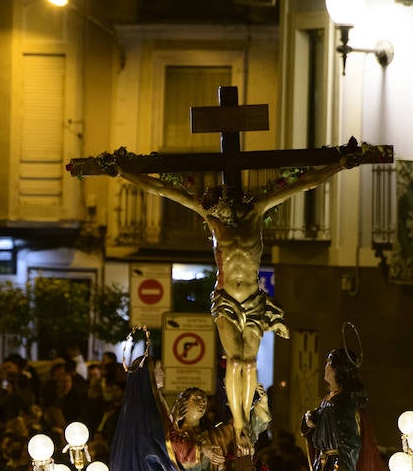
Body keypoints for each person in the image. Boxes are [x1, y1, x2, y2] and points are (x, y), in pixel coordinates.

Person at [107, 141, 377, 451]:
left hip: (252, 300)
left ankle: (244, 423)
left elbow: (303, 183)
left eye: (223, 201)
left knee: (249, 363)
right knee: (234, 360)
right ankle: (237, 423)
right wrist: (123, 171)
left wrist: (338, 165)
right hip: (225, 300)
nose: (220, 206)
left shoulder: (257, 211)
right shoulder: (212, 220)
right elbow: (166, 191)